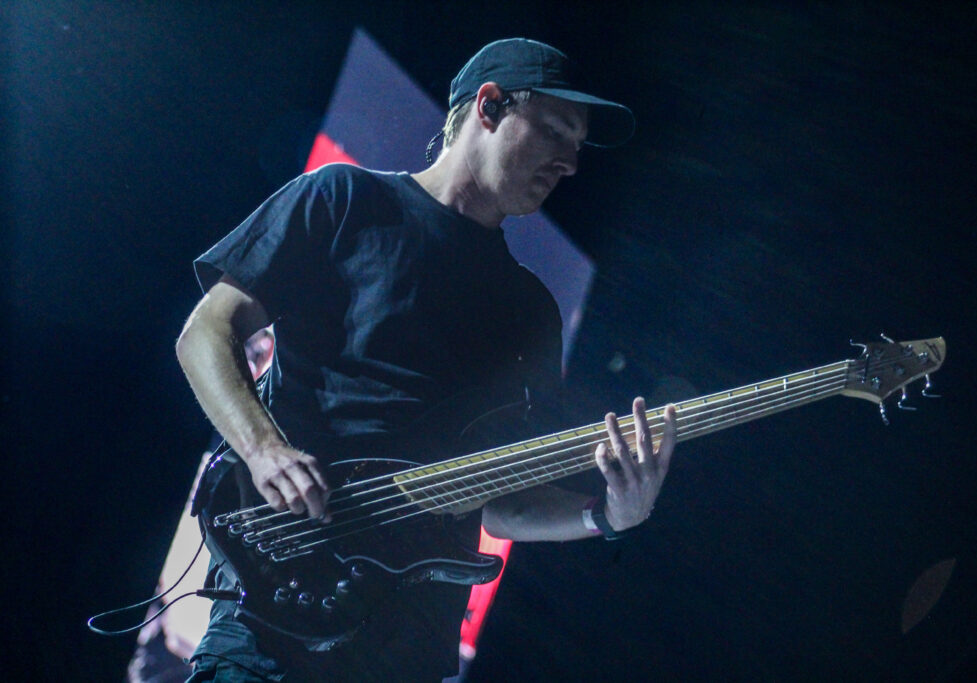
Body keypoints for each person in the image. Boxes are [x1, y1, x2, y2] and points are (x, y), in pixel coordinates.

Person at [175, 38, 677, 682]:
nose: (571, 162)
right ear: (490, 108)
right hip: (276, 624)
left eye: (578, 146)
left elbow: (503, 504)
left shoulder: (533, 312)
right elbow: (206, 333)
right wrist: (264, 450)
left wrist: (609, 514)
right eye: (557, 131)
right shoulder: (343, 200)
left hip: (407, 651)